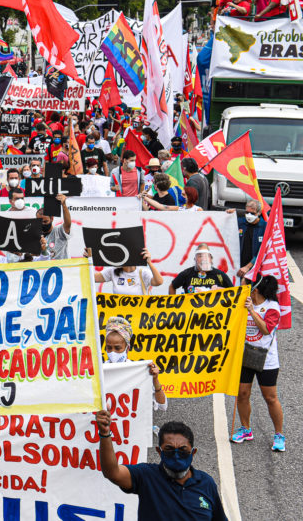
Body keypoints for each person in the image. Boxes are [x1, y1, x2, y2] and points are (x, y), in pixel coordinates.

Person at [96, 417, 226, 520]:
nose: (176, 455)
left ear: (193, 452)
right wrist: (105, 434)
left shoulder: (206, 483)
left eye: (182, 450)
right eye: (169, 449)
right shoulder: (146, 476)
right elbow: (113, 472)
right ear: (159, 451)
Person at [231, 275, 285, 451]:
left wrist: (252, 311)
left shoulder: (272, 307)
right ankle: (246, 429)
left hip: (266, 360)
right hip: (245, 356)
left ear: (255, 291)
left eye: (249, 288)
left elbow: (266, 330)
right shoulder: (243, 301)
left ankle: (279, 435)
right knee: (242, 393)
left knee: (270, 398)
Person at [100, 316, 166, 410]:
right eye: (109, 348)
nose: (113, 352)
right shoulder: (99, 372)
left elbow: (162, 406)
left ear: (127, 348)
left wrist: (155, 380)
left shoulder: (139, 372)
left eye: (118, 348)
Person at [91, 249, 164, 296]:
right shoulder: (113, 271)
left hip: (140, 316)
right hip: (121, 317)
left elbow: (159, 282)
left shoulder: (143, 272)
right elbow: (90, 277)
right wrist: (88, 260)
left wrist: (149, 263)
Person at [235, 199, 266, 279]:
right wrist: (229, 214)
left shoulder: (265, 227)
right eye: (247, 212)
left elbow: (263, 251)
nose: (249, 215)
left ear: (259, 213)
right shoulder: (240, 223)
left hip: (254, 267)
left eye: (252, 213)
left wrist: (248, 267)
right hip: (238, 266)